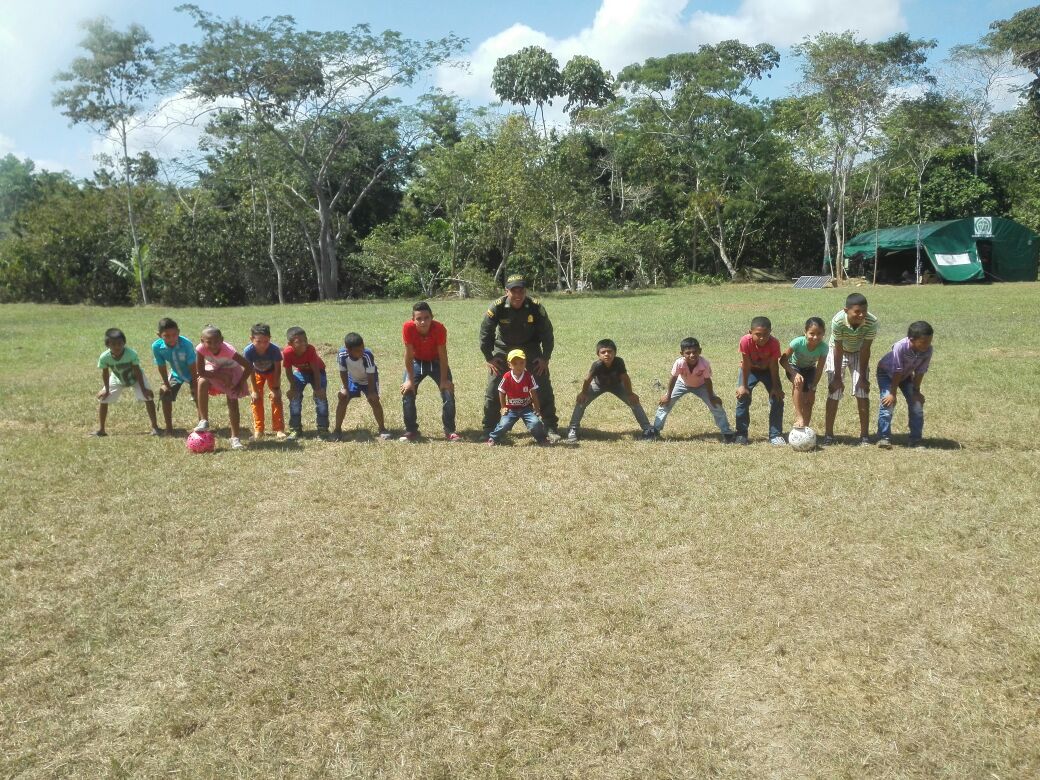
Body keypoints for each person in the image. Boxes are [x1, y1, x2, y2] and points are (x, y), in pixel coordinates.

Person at [479, 275, 559, 439]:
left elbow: (547, 333)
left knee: (542, 384)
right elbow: (485, 332)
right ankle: (489, 428)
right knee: (494, 386)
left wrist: (545, 358)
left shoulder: (535, 307)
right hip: (504, 348)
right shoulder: (497, 307)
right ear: (506, 291)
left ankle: (550, 426)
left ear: (525, 291)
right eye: (513, 291)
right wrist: (489, 357)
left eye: (521, 291)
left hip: (530, 347)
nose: (517, 295)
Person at [566, 339, 655, 442]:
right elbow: (587, 379)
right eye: (603, 352)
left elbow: (625, 378)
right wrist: (583, 393)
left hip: (617, 385)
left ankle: (647, 429)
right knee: (581, 401)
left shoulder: (619, 362)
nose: (607, 354)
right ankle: (573, 428)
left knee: (633, 401)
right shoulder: (597, 365)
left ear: (615, 353)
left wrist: (630, 394)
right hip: (598, 385)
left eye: (609, 351)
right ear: (598, 355)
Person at [653, 337, 734, 442]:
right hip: (681, 384)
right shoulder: (679, 363)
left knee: (716, 405)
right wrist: (668, 395)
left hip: (701, 386)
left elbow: (707, 380)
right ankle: (655, 431)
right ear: (682, 353)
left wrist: (711, 397)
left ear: (700, 351)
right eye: (688, 353)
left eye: (695, 352)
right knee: (665, 404)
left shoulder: (704, 363)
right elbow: (673, 379)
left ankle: (727, 432)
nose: (692, 355)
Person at [399, 302, 460, 442]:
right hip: (417, 361)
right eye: (419, 319)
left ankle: (450, 430)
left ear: (432, 317)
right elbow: (408, 355)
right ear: (413, 319)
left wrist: (444, 380)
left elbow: (443, 355)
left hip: (436, 361)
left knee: (448, 391)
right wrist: (409, 380)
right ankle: (411, 430)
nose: (423, 322)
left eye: (426, 318)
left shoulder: (439, 328)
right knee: (407, 391)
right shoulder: (408, 327)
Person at [824, 292, 879, 446]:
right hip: (838, 351)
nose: (861, 315)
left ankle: (864, 436)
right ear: (846, 310)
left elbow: (866, 349)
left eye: (864, 311)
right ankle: (829, 435)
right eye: (857, 312)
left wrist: (862, 378)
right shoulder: (838, 321)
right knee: (834, 391)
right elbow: (838, 348)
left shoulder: (872, 321)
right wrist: (837, 377)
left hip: (859, 352)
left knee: (862, 392)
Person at [193, 326, 253, 450]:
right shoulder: (200, 349)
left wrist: (240, 383)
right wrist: (220, 376)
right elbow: (201, 371)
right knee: (202, 381)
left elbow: (248, 366)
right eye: (209, 342)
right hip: (215, 368)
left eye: (217, 342)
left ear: (222, 340)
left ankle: (235, 438)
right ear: (202, 341)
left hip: (232, 370)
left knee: (232, 402)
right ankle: (204, 420)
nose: (213, 345)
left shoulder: (228, 351)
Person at [876, 321, 934, 449]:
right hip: (886, 373)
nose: (927, 345)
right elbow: (897, 370)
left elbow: (920, 371)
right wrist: (892, 393)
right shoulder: (900, 346)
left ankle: (916, 439)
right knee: (888, 403)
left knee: (916, 404)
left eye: (930, 341)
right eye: (924, 342)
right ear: (912, 339)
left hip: (906, 376)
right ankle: (883, 438)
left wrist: (916, 392)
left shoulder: (928, 350)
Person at [93, 327, 160, 437]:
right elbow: (105, 373)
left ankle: (155, 427)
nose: (117, 347)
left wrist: (143, 389)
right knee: (103, 399)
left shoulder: (131, 354)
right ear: (107, 345)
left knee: (148, 397)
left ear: (124, 343)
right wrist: (106, 390)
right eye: (113, 344)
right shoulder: (104, 357)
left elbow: (137, 371)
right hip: (117, 378)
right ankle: (101, 430)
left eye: (120, 344)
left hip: (136, 378)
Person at [735, 316, 785, 445]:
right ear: (750, 332)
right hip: (750, 370)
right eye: (758, 334)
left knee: (777, 398)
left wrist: (775, 387)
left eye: (765, 334)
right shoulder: (745, 341)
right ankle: (741, 434)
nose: (762, 338)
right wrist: (743, 386)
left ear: (770, 332)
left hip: (768, 371)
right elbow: (746, 364)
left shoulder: (774, 343)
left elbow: (774, 366)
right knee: (743, 397)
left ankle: (775, 435)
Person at [332, 332, 392, 441]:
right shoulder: (342, 354)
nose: (362, 351)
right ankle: (337, 430)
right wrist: (345, 388)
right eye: (358, 350)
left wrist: (371, 392)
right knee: (343, 398)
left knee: (374, 401)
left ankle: (382, 429)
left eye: (363, 348)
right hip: (352, 379)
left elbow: (371, 373)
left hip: (369, 380)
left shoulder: (367, 355)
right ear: (348, 350)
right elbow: (343, 371)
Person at [487, 349, 550, 446]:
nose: (519, 366)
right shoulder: (507, 377)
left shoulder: (528, 376)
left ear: (525, 363)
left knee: (535, 423)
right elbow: (501, 391)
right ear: (509, 365)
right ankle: (494, 438)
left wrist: (537, 407)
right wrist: (503, 407)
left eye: (522, 363)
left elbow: (533, 392)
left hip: (526, 408)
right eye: (515, 363)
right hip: (511, 409)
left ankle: (542, 439)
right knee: (503, 424)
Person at [780, 317, 828, 431]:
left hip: (810, 369)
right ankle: (799, 417)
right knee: (799, 382)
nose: (815, 337)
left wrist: (813, 387)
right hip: (793, 367)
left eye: (819, 334)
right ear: (805, 332)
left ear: (823, 333)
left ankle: (805, 426)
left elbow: (819, 369)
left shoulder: (824, 348)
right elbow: (782, 360)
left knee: (809, 399)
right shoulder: (797, 342)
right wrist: (794, 373)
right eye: (812, 333)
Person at [151, 317, 198, 435]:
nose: (171, 338)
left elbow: (193, 365)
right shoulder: (156, 347)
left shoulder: (186, 344)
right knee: (165, 393)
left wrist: (194, 383)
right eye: (167, 336)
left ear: (179, 332)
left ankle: (202, 424)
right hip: (176, 373)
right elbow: (161, 366)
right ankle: (169, 428)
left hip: (193, 372)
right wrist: (166, 384)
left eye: (174, 335)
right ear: (159, 335)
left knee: (198, 394)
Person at [282, 326, 329, 438]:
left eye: (305, 340)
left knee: (321, 398)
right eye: (299, 341)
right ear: (290, 344)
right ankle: (295, 429)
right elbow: (288, 371)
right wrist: (293, 388)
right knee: (295, 397)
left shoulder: (310, 349)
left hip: (318, 372)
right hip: (301, 372)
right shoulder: (287, 352)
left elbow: (316, 371)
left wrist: (318, 389)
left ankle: (323, 429)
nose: (304, 343)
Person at [243, 323, 286, 441]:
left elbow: (278, 369)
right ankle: (259, 430)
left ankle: (279, 429)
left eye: (266, 341)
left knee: (276, 398)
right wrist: (254, 390)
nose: (262, 345)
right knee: (256, 399)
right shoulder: (248, 351)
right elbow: (250, 370)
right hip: (257, 373)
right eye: (258, 342)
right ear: (251, 339)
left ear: (270, 339)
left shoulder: (274, 350)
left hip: (272, 373)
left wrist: (276, 387)